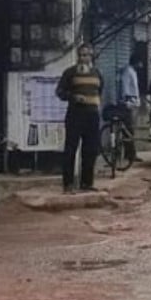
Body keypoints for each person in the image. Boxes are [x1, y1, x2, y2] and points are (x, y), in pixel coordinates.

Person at [56, 44, 104, 193]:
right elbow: (60, 92)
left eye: (87, 55)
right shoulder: (70, 73)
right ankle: (68, 184)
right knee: (71, 149)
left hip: (93, 115)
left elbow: (100, 91)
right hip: (75, 115)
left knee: (90, 150)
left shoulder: (97, 73)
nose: (84, 58)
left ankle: (87, 183)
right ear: (78, 57)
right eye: (81, 55)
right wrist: (73, 97)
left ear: (92, 57)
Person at [119, 58, 142, 163]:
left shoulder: (132, 71)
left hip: (133, 103)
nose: (141, 65)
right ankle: (130, 154)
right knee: (129, 130)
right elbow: (125, 88)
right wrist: (127, 100)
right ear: (136, 62)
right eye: (140, 63)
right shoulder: (127, 72)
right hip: (128, 104)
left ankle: (130, 154)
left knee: (130, 130)